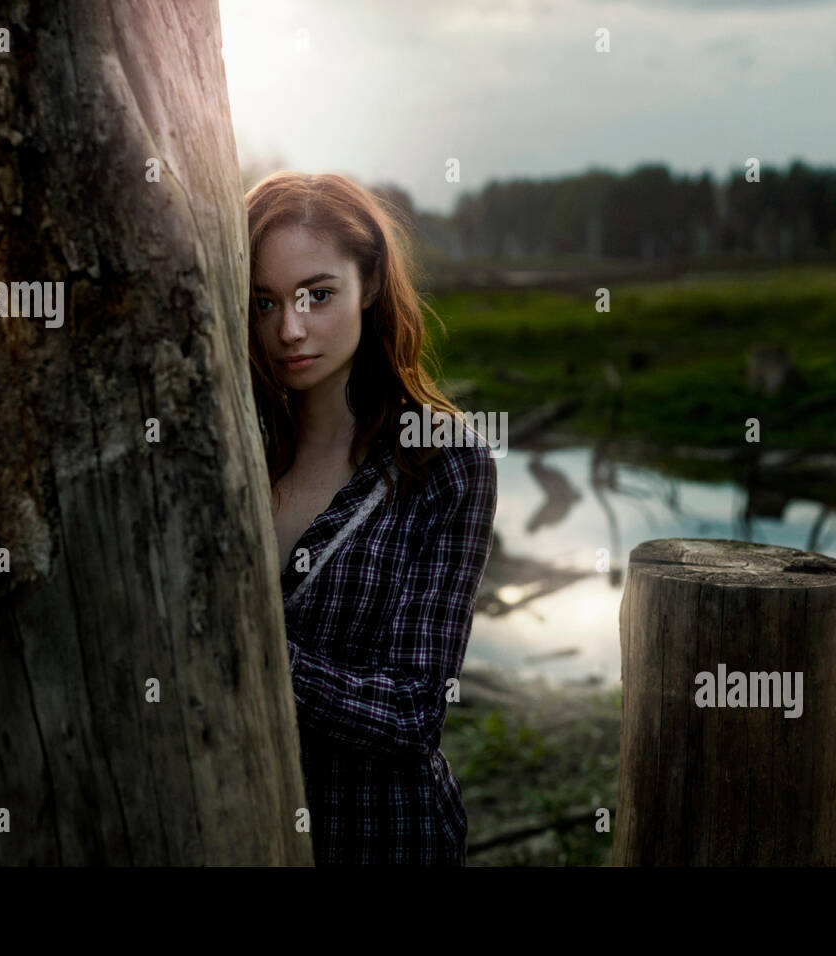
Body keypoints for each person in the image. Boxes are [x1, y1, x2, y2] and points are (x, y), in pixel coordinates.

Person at [245, 171, 498, 865]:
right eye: (263, 302)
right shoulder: (230, 449)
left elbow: (414, 713)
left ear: (372, 285)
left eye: (317, 295)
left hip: (381, 836)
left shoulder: (444, 462)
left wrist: (249, 654)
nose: (288, 329)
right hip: (238, 828)